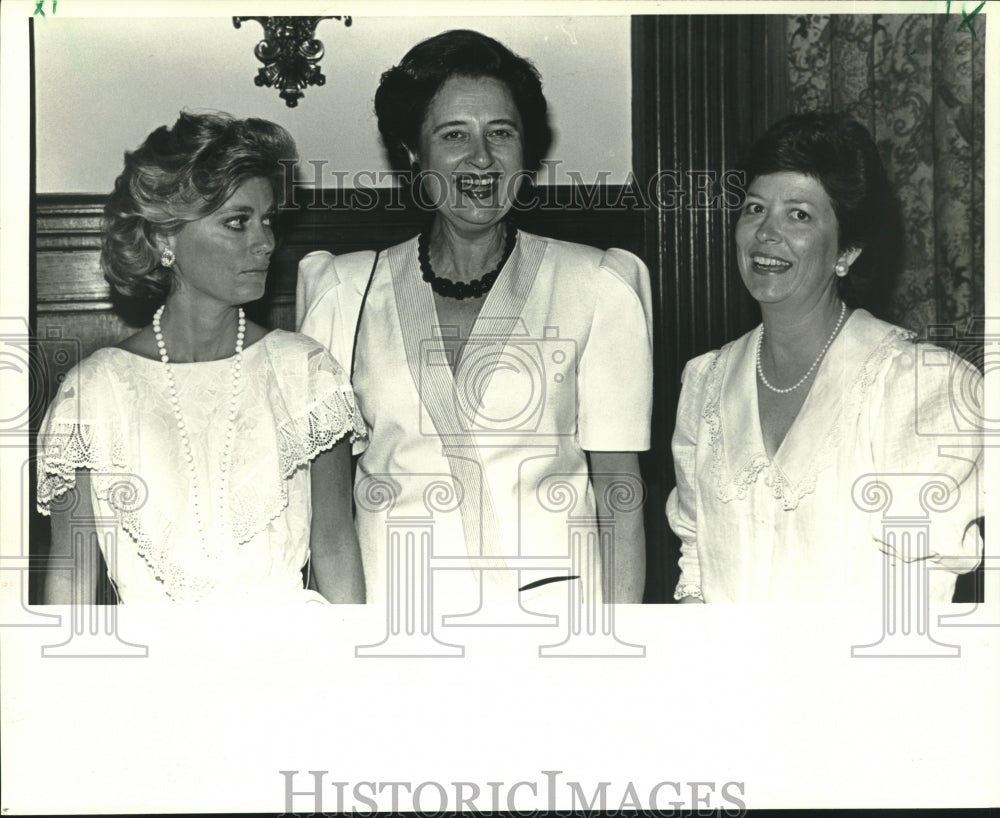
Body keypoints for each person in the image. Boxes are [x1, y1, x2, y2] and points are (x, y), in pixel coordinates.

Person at [297, 30, 652, 613]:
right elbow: (324, 502)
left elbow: (619, 486)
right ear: (414, 152)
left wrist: (614, 641)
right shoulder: (343, 292)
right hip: (397, 621)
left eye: (501, 133)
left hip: (553, 623)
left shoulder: (597, 286)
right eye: (454, 134)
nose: (481, 157)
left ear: (527, 151)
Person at [37, 112, 367, 603]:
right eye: (238, 222)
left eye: (268, 219)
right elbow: (71, 580)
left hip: (289, 662)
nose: (266, 242)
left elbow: (337, 550)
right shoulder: (95, 392)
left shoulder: (306, 374)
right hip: (150, 670)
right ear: (165, 236)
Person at [667, 112, 984, 603]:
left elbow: (918, 599)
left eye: (799, 214)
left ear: (848, 250)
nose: (766, 234)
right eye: (754, 209)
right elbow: (697, 562)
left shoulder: (921, 387)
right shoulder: (704, 383)